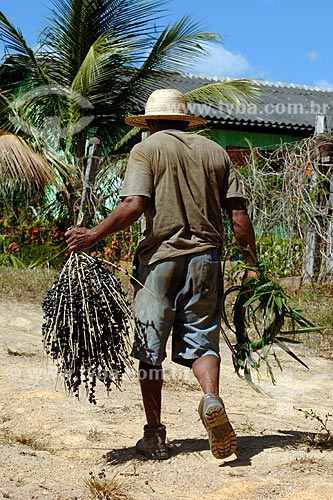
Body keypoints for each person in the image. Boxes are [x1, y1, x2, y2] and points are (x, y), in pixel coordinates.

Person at [65, 88, 257, 461]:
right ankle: (210, 398)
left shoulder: (147, 150)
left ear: (150, 122)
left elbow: (134, 205)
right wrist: (253, 263)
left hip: (159, 263)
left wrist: (93, 235)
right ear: (186, 120)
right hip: (207, 262)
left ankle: (154, 435)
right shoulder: (215, 152)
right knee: (203, 342)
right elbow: (238, 216)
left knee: (151, 353)